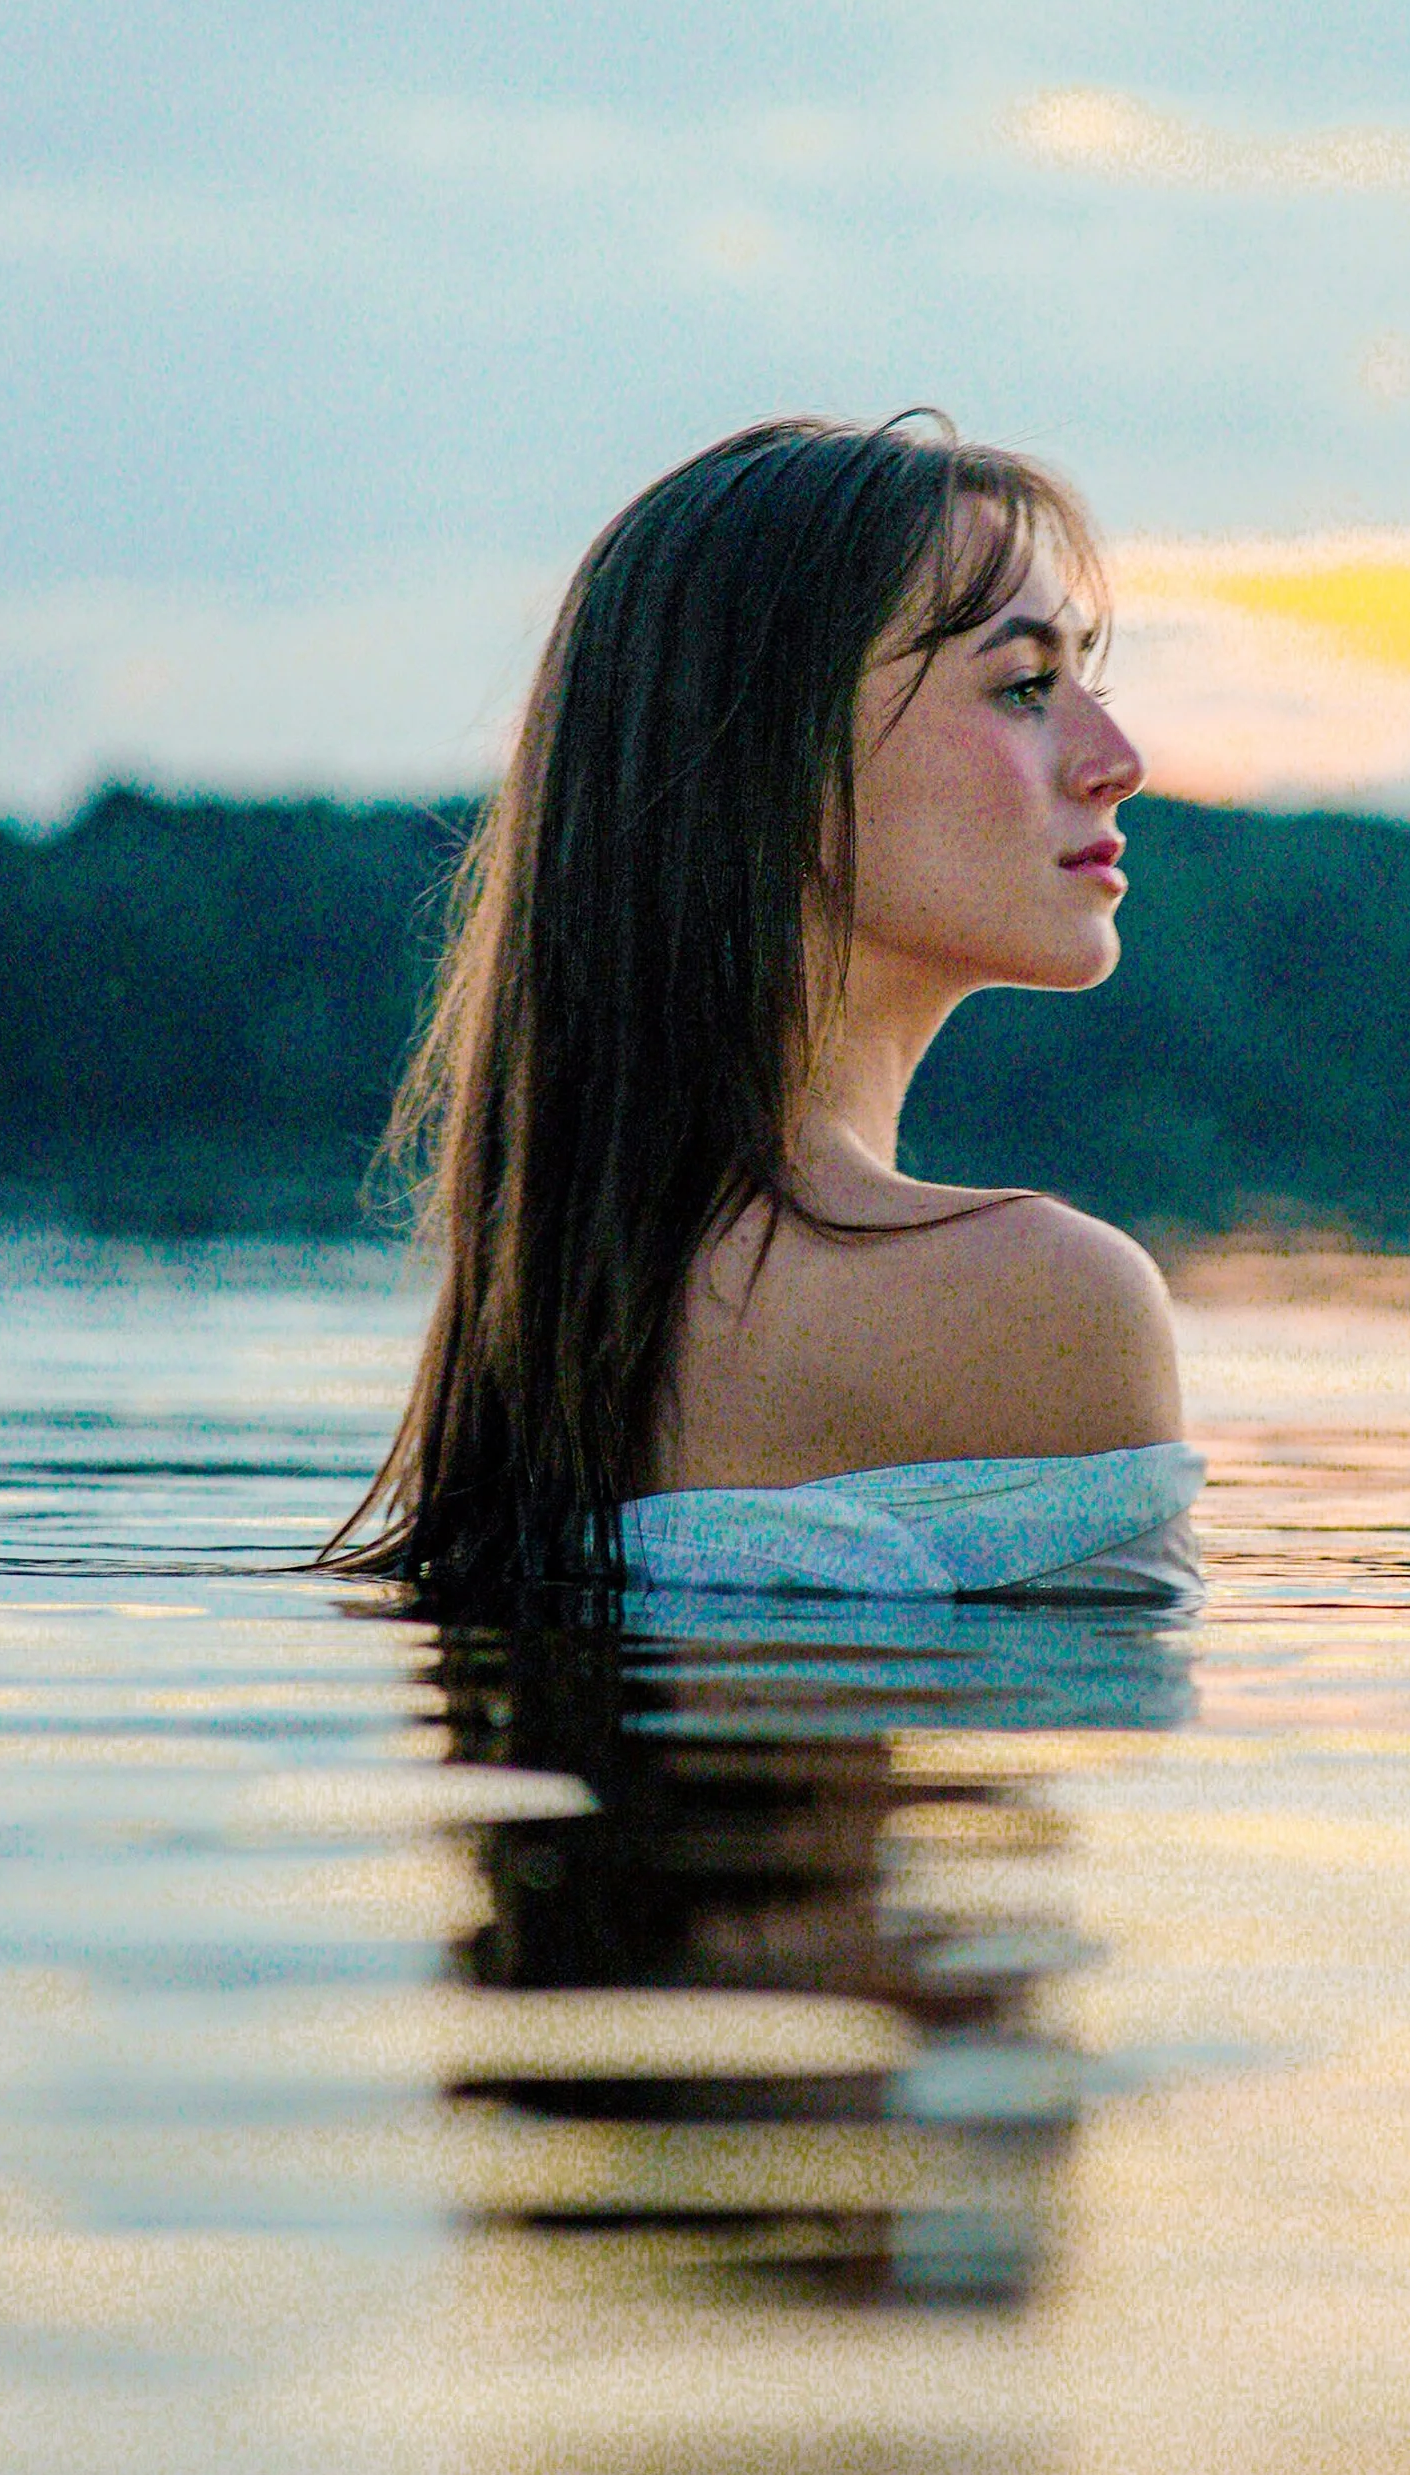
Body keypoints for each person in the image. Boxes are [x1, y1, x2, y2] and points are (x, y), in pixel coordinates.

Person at [326, 410, 1201, 1608]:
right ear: (774, 761)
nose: (1115, 756)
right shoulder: (1041, 1297)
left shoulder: (553, 1316)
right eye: (1023, 686)